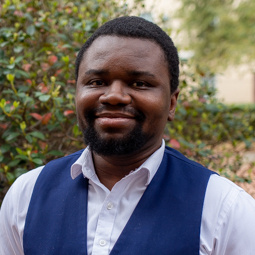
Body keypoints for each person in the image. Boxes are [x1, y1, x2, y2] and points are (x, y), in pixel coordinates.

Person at [0, 16, 255, 255]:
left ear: (172, 103)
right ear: (76, 93)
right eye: (97, 82)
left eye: (140, 83)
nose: (113, 96)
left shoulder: (225, 209)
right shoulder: (26, 194)